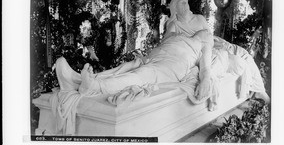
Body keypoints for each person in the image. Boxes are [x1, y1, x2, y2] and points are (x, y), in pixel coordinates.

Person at [56, 29, 213, 102]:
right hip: (154, 58)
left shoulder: (202, 47)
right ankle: (75, 80)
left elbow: (205, 69)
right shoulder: (176, 35)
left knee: (142, 75)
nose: (202, 32)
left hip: (171, 66)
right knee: (123, 68)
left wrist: (205, 80)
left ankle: (94, 86)